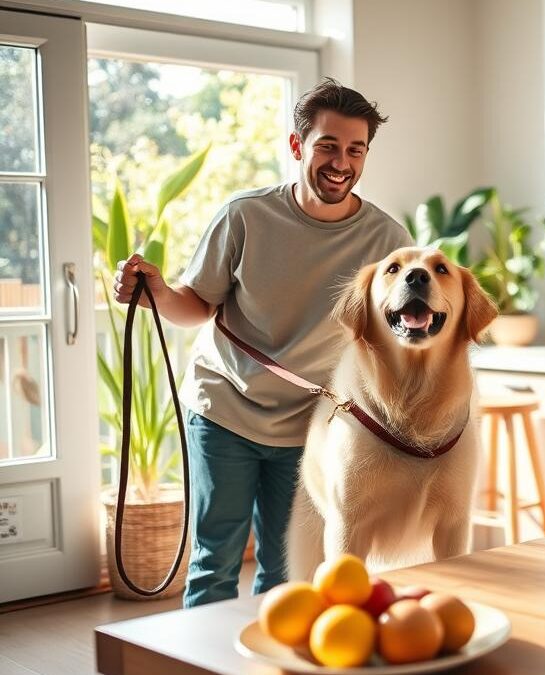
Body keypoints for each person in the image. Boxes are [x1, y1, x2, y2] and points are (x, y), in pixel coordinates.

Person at [113, 78, 413, 607]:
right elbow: (197, 305)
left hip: (311, 425)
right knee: (214, 563)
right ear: (298, 146)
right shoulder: (245, 216)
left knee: (288, 571)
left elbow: (399, 337)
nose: (341, 162)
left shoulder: (387, 241)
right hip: (225, 410)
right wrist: (155, 294)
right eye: (327, 145)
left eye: (355, 150)